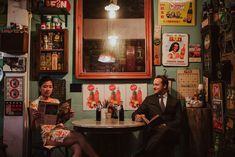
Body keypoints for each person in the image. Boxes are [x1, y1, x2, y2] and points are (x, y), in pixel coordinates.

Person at [30, 76, 99, 157]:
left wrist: (68, 115)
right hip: (47, 136)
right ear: (40, 88)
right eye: (45, 86)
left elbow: (60, 120)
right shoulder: (34, 104)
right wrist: (34, 119)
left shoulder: (56, 101)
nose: (48, 89)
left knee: (77, 146)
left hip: (59, 131)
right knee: (80, 137)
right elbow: (32, 128)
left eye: (50, 86)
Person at [132, 75, 182, 157]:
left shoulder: (175, 101)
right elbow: (135, 113)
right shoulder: (149, 99)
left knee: (164, 130)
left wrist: (166, 125)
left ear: (165, 86)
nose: (154, 87)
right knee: (159, 147)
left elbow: (179, 120)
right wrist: (137, 116)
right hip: (153, 132)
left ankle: (144, 152)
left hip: (170, 133)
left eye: (156, 85)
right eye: (153, 84)